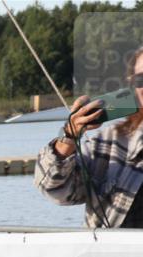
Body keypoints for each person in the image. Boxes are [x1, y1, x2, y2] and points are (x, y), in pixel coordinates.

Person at [35, 46, 143, 229]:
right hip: (116, 248)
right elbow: (53, 188)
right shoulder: (110, 143)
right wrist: (69, 136)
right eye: (141, 79)